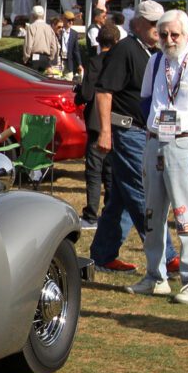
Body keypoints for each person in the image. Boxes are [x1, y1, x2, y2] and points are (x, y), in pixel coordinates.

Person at [130, 10, 188, 305]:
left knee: (187, 214)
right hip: (155, 142)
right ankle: (155, 277)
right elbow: (145, 100)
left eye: (175, 35)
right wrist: (153, 129)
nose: (169, 40)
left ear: (187, 35)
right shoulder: (156, 61)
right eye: (164, 34)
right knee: (153, 213)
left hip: (185, 144)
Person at [90, 0, 180, 276]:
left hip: (143, 131)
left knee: (122, 196)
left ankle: (103, 254)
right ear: (138, 23)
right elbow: (104, 92)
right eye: (152, 24)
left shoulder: (152, 52)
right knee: (142, 194)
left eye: (160, 24)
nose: (158, 29)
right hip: (127, 132)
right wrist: (105, 132)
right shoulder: (126, 50)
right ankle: (167, 256)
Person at [76, 23, 120, 229]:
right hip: (117, 121)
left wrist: (78, 94)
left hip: (96, 122)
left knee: (94, 171)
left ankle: (91, 214)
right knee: (111, 172)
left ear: (98, 41)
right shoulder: (120, 63)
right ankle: (110, 212)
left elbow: (86, 93)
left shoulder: (95, 62)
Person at [21, 5, 60, 72]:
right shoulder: (49, 28)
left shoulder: (31, 27)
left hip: (34, 58)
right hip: (46, 59)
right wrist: (51, 57)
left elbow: (28, 45)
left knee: (32, 79)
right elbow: (54, 46)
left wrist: (26, 58)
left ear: (33, 15)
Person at [53, 11, 84, 80]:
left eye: (72, 20)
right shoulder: (58, 30)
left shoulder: (74, 33)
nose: (71, 22)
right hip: (58, 60)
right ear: (63, 20)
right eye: (69, 20)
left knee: (69, 80)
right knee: (56, 80)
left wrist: (79, 64)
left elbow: (76, 50)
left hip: (69, 61)